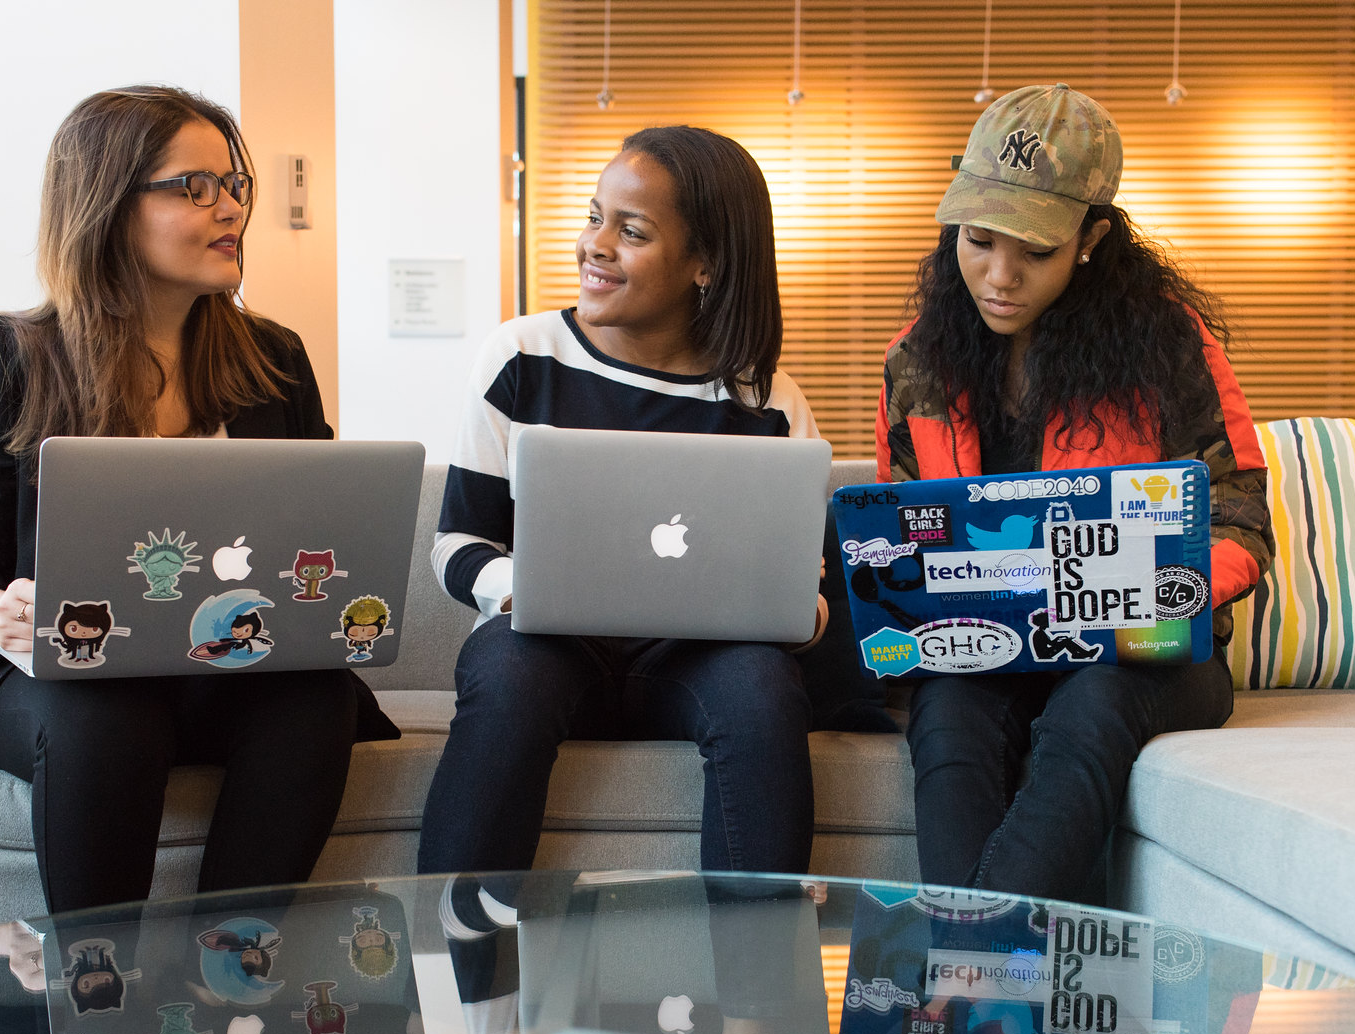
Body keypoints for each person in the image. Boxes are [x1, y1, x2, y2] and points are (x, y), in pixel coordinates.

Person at [0, 86, 394, 915]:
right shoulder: (19, 359)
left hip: (229, 666)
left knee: (319, 697)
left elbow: (324, 527)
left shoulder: (274, 359)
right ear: (108, 205)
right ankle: (101, 1003)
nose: (232, 207)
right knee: (108, 713)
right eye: (195, 186)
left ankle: (234, 979)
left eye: (235, 183)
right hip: (63, 679)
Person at [877, 85, 1275, 900]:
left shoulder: (1167, 346)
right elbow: (904, 525)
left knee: (1090, 709)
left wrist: (1144, 591)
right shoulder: (917, 360)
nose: (998, 275)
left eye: (1033, 251)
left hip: (1148, 648)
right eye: (978, 241)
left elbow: (1242, 523)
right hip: (988, 645)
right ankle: (991, 978)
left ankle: (963, 963)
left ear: (1091, 238)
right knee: (947, 717)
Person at [418, 125, 826, 885]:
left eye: (630, 231)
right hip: (546, 645)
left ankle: (762, 989)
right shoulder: (522, 356)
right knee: (509, 680)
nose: (594, 244)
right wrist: (525, 592)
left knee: (762, 689)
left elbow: (807, 585)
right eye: (594, 216)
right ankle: (456, 979)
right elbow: (456, 543)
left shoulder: (767, 402)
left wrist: (800, 613)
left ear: (705, 263)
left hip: (694, 660)